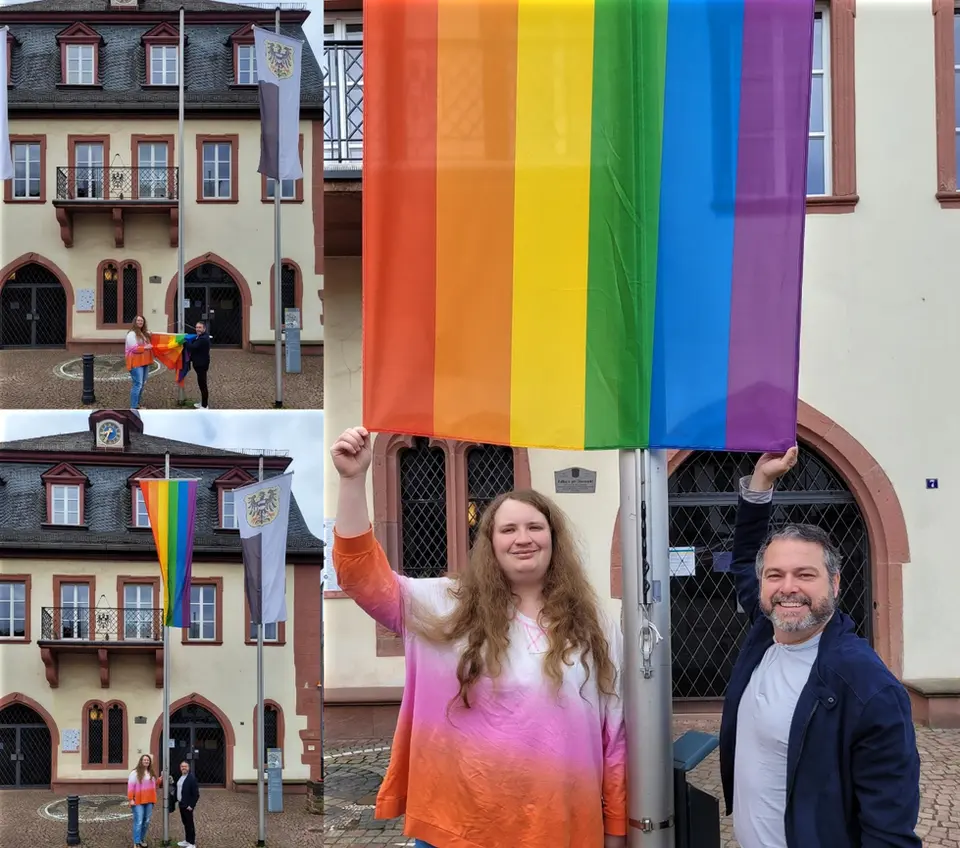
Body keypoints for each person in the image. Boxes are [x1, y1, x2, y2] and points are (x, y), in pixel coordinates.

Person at [330, 426, 627, 848]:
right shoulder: (446, 605)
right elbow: (361, 577)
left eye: (534, 528)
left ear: (553, 539)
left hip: (559, 826)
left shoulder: (594, 622)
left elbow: (614, 733)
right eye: (508, 530)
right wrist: (351, 480)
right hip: (457, 827)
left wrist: (615, 827)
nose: (523, 538)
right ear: (489, 543)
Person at [721, 447, 921, 847]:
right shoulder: (765, 631)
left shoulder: (867, 687)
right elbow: (745, 559)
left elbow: (889, 832)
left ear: (834, 583)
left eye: (805, 574)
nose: (787, 587)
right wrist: (761, 483)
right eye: (775, 574)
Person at [127, 753, 162, 848]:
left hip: (149, 801)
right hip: (138, 801)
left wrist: (160, 779)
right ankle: (136, 841)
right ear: (141, 761)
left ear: (149, 762)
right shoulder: (135, 773)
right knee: (139, 821)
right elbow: (130, 787)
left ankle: (141, 839)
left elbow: (154, 784)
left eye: (148, 760)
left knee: (146, 821)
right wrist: (130, 799)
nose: (146, 761)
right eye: (144, 760)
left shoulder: (151, 772)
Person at [125, 315, 153, 410]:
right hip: (136, 362)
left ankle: (137, 404)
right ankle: (133, 407)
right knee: (137, 384)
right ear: (135, 322)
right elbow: (133, 348)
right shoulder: (131, 334)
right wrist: (145, 347)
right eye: (138, 320)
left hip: (144, 362)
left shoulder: (143, 333)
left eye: (142, 321)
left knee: (142, 383)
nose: (140, 322)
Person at [184, 321, 211, 409]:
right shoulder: (200, 337)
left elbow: (193, 347)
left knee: (202, 384)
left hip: (201, 364)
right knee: (201, 384)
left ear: (204, 328)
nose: (197, 329)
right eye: (196, 327)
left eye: (199, 327)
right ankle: (203, 402)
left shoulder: (203, 339)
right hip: (199, 363)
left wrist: (185, 341)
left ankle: (204, 405)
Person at [174, 760, 200, 848]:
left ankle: (192, 843)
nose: (184, 768)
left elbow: (196, 794)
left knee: (190, 824)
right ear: (180, 768)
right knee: (185, 823)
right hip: (181, 804)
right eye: (182, 766)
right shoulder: (181, 777)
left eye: (185, 766)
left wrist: (191, 805)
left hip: (187, 806)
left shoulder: (191, 778)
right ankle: (187, 840)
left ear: (188, 768)